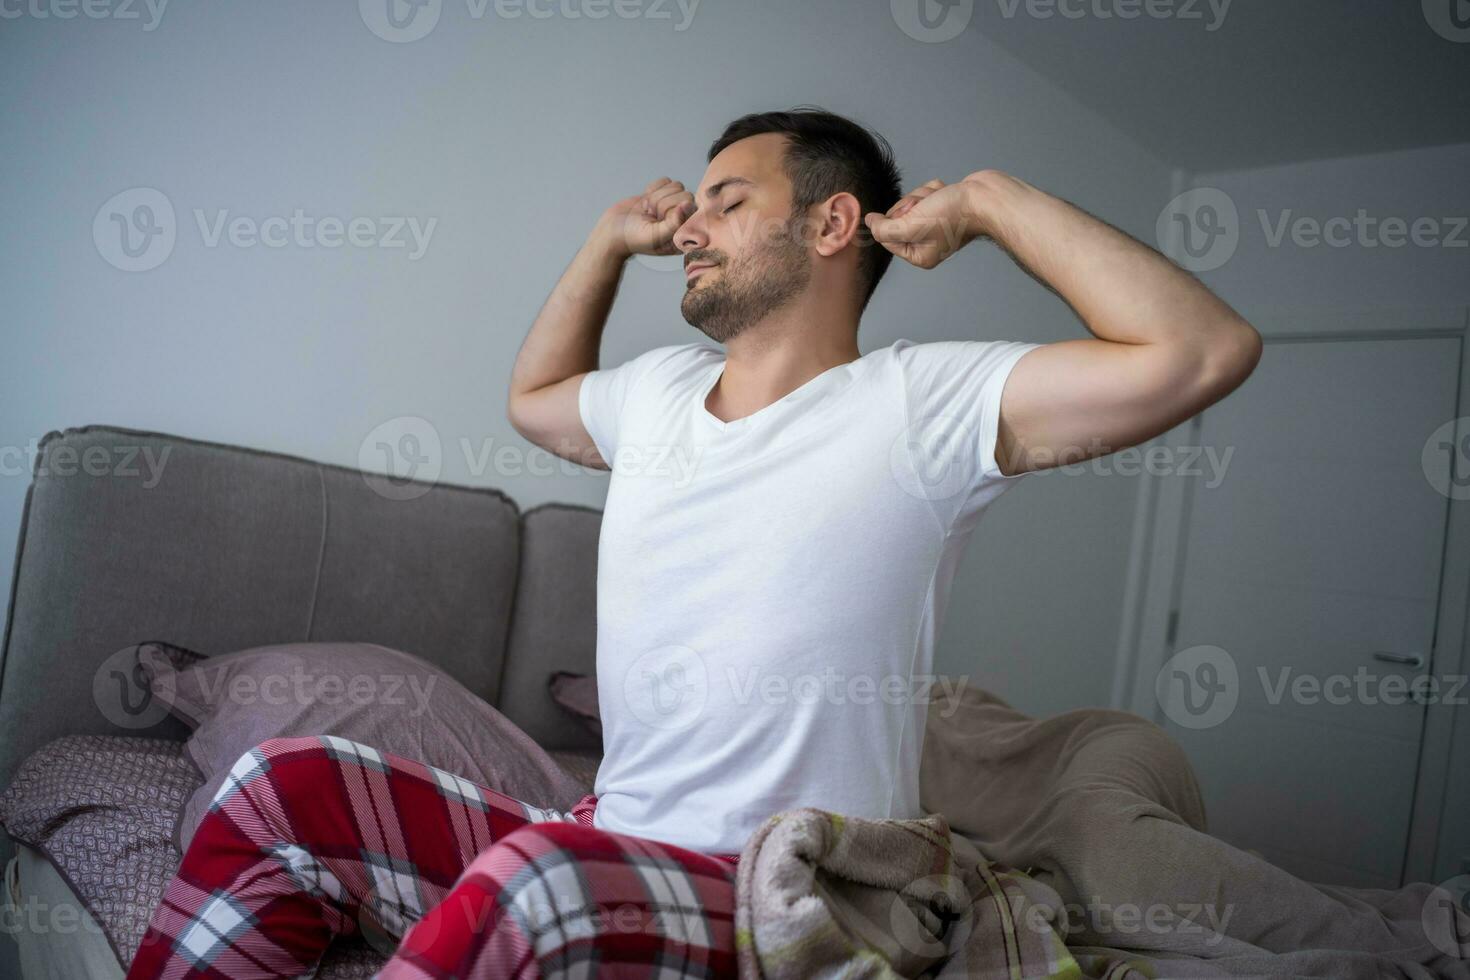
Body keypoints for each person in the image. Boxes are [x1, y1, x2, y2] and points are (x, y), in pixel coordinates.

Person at [126, 105, 1261, 979]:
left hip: (780, 888)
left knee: (542, 882)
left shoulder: (927, 402)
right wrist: (604, 245)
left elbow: (1202, 349)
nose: (691, 228)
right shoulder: (657, 393)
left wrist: (994, 202)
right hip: (610, 830)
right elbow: (535, 395)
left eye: (727, 201)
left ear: (830, 223)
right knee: (278, 785)